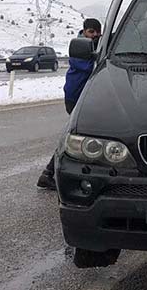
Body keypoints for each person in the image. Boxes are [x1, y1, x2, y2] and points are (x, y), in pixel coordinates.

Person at [36, 17, 101, 190]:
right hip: (76, 97)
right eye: (91, 32)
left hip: (84, 97)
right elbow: (90, 67)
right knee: (74, 137)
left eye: (97, 32)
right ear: (84, 31)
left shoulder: (94, 45)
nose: (94, 35)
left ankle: (51, 173)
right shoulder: (80, 48)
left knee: (83, 136)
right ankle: (50, 173)